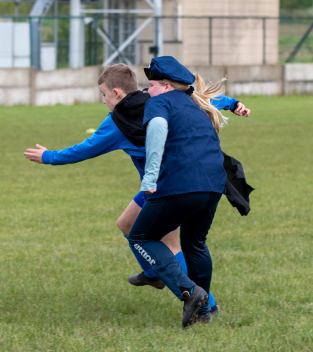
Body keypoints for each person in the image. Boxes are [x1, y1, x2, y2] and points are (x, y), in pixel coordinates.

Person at [24, 63, 249, 316]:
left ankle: (206, 305)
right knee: (126, 224)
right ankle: (155, 274)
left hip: (169, 185)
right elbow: (202, 97)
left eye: (104, 95)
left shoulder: (116, 121)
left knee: (169, 245)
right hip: (184, 179)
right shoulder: (159, 96)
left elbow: (84, 149)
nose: (104, 101)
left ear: (117, 93)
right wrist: (232, 103)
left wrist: (48, 156)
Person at [128, 56, 231, 328]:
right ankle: (204, 311)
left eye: (150, 85)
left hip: (181, 184)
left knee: (141, 236)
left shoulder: (159, 102)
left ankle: (189, 291)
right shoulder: (196, 104)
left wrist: (150, 178)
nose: (146, 91)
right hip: (213, 184)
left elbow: (158, 129)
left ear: (165, 85)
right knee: (195, 244)